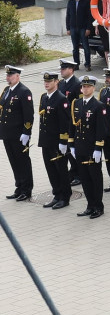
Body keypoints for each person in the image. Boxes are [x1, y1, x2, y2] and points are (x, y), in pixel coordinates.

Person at [70, 75, 104, 218]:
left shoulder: (98, 106)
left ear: (93, 88)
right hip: (80, 146)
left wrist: (98, 148)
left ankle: (98, 206)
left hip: (91, 147)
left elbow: (101, 129)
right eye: (83, 86)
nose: (85, 89)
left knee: (95, 178)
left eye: (88, 86)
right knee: (84, 177)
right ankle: (90, 205)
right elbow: (73, 125)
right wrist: (71, 143)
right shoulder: (76, 103)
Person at [37, 72, 71, 210]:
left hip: (57, 142)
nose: (46, 83)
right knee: (50, 169)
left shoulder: (61, 99)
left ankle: (65, 197)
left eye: (50, 81)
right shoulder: (44, 97)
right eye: (45, 81)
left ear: (56, 82)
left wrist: (63, 142)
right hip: (46, 140)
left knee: (61, 170)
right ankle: (57, 194)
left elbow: (65, 122)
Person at [2, 65, 34, 201]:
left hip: (19, 134)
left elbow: (29, 114)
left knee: (22, 161)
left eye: (11, 75)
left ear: (18, 76)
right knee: (14, 161)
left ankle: (26, 189)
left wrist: (26, 132)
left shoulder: (24, 91)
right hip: (7, 133)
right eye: (7, 75)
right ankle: (19, 187)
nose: (8, 78)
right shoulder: (6, 90)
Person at [65, 0, 93, 70]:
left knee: (85, 46)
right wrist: (68, 28)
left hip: (83, 27)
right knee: (75, 47)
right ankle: (76, 64)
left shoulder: (86, 2)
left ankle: (87, 64)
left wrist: (88, 28)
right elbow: (68, 15)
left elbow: (89, 16)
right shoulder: (70, 2)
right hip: (73, 27)